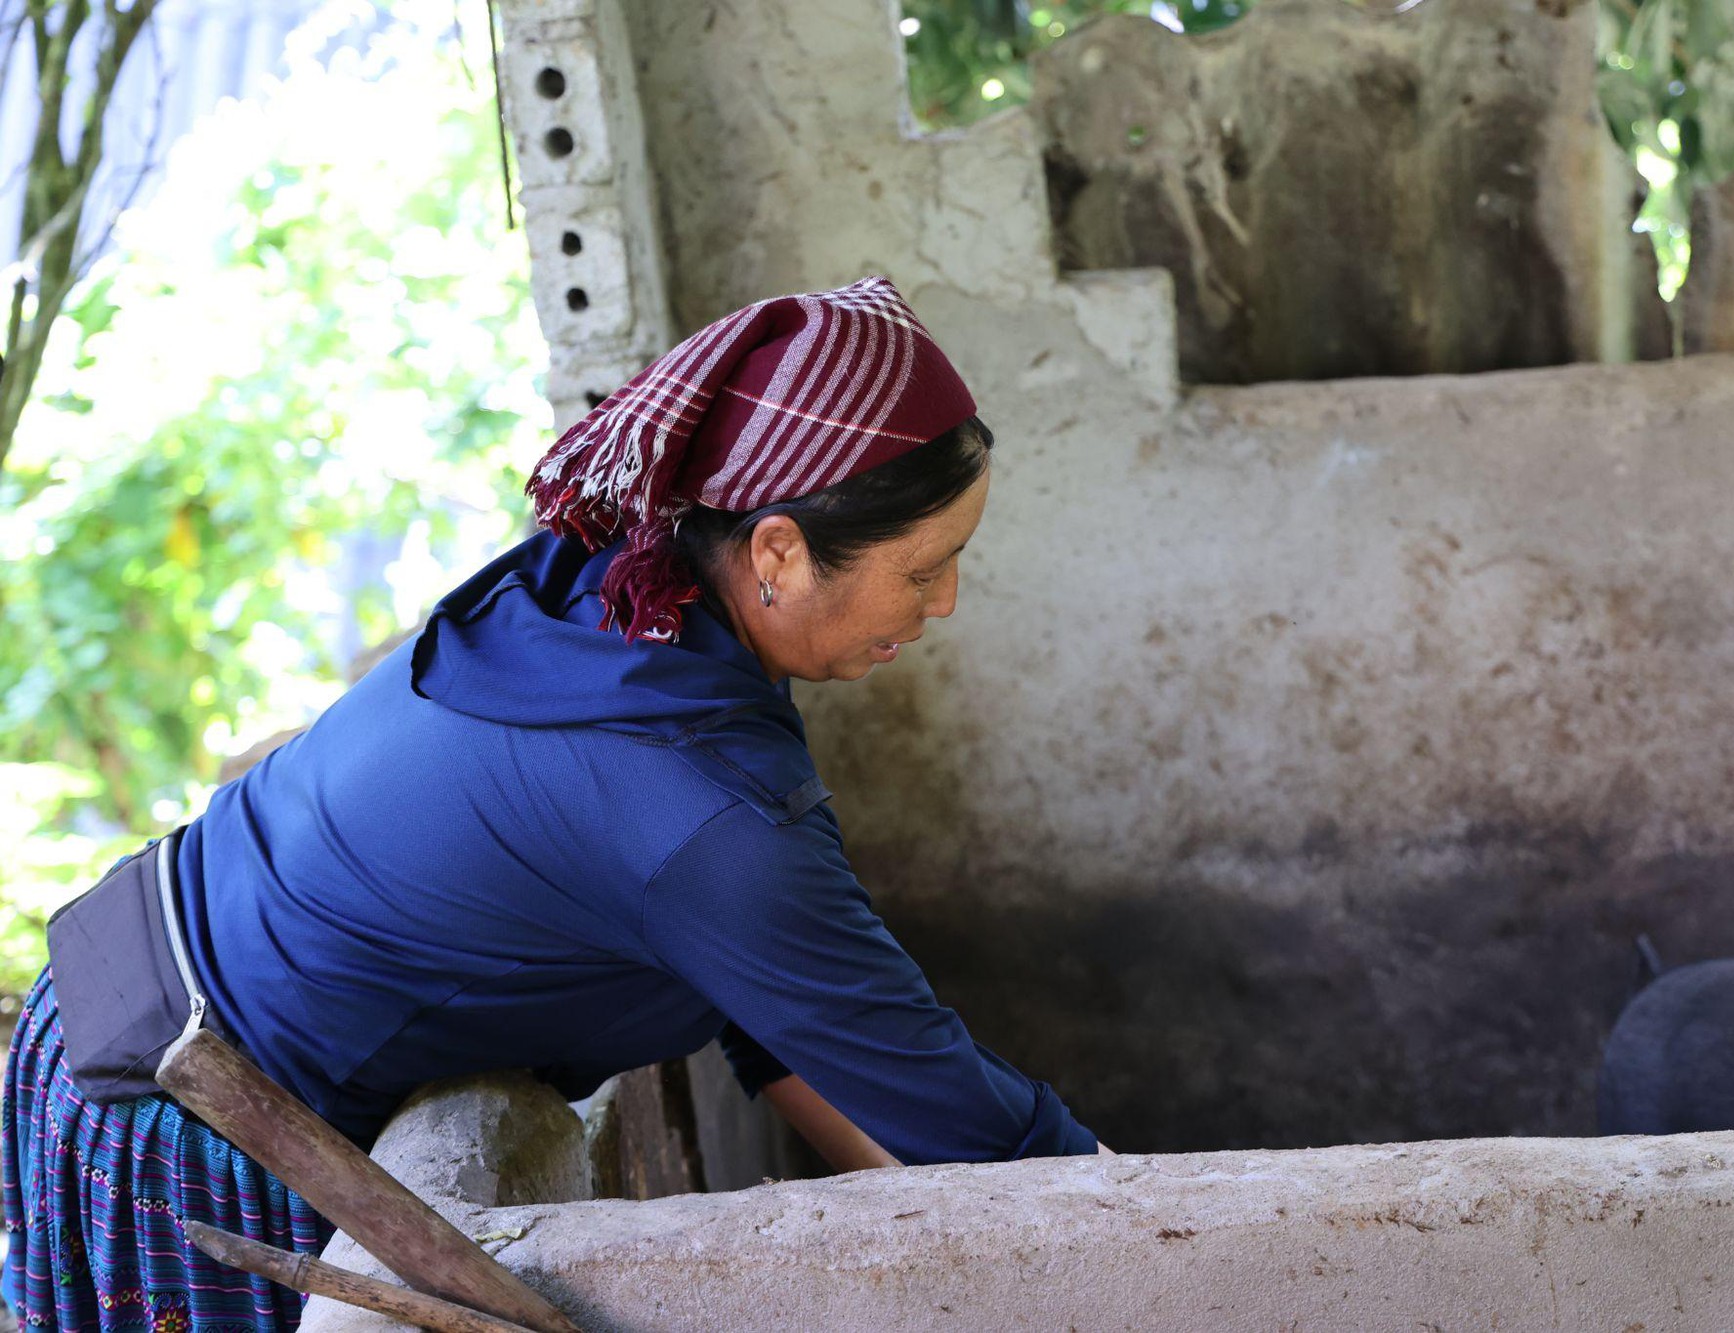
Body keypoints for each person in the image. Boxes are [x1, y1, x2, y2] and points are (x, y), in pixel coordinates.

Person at [5, 277, 1104, 1332]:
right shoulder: (697, 796)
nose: (945, 601)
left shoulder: (624, 603)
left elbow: (791, 1021)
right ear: (778, 549)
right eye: (924, 569)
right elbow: (965, 1121)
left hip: (101, 993)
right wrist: (1155, 1229)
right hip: (176, 1116)